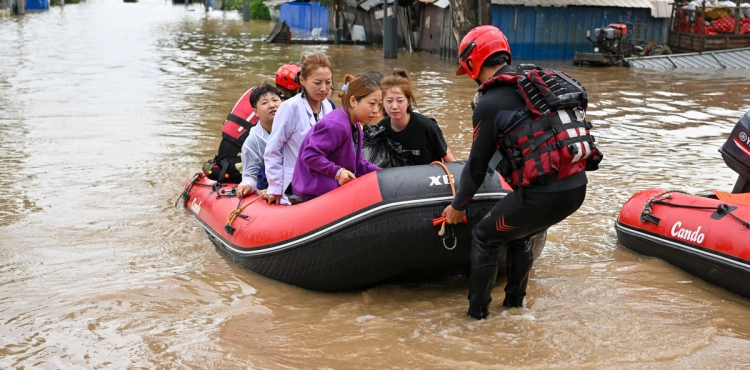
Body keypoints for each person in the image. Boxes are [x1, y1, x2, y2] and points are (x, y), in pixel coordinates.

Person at [442, 25, 598, 319]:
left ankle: (476, 318)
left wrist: (457, 206)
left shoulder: (489, 102)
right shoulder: (533, 84)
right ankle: (515, 309)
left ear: (473, 62)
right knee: (518, 233)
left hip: (544, 196)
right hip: (576, 188)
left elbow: (476, 167)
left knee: (484, 236)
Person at [202, 64, 301, 183]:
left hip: (228, 155)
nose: (271, 104)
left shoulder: (258, 95)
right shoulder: (284, 106)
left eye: (274, 100)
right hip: (238, 162)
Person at [291, 74, 382, 200]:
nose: (376, 110)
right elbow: (310, 156)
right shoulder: (336, 125)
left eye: (379, 105)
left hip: (332, 182)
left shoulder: (356, 126)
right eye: (372, 103)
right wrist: (338, 173)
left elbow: (358, 163)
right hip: (312, 188)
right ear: (353, 101)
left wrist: (384, 174)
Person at [264, 53, 335, 205]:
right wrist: (275, 187)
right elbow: (273, 149)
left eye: (328, 82)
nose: (324, 88)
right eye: (317, 83)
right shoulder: (290, 107)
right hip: (296, 181)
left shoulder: (328, 106)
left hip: (322, 176)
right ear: (302, 80)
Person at [378, 69, 455, 165]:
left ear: (409, 101)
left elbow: (449, 159)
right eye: (389, 101)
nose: (394, 106)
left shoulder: (427, 127)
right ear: (382, 102)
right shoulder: (381, 128)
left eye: (400, 100)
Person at [236, 84, 283, 198]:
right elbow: (251, 175)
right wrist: (247, 185)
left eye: (275, 100)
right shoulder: (252, 142)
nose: (272, 105)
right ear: (255, 112)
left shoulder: (296, 128)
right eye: (264, 102)